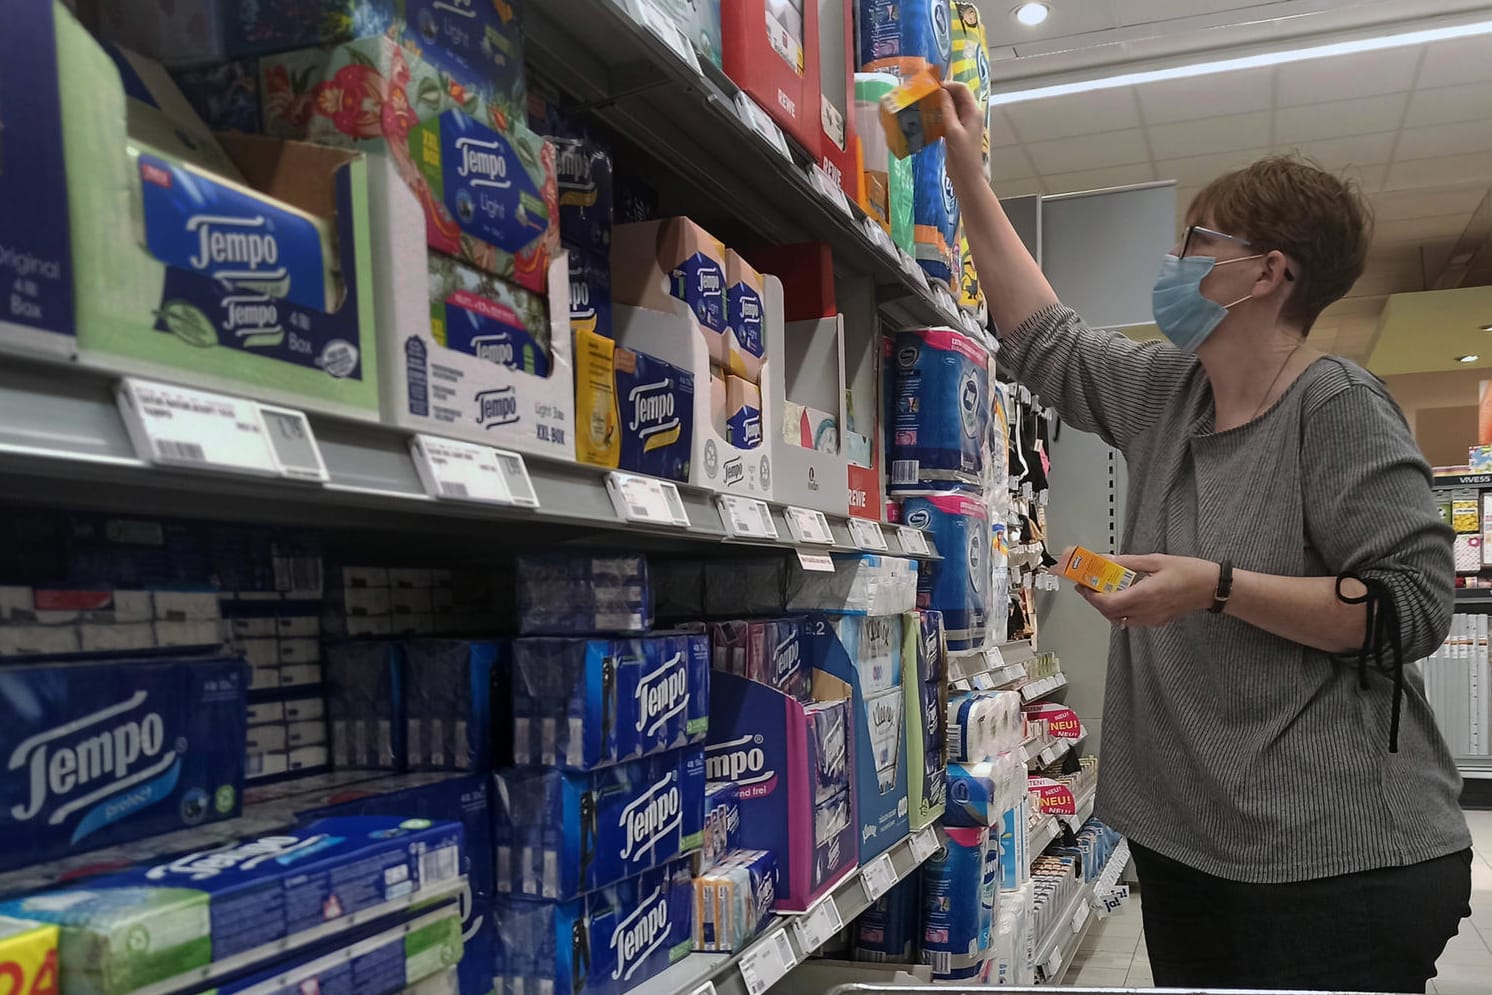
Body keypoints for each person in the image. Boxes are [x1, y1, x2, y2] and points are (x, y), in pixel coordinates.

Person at [936, 81, 1473, 992]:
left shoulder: (1334, 406)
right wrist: (963, 166)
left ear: (1267, 273)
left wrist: (1215, 585)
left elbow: (1411, 605)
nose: (1173, 262)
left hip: (1335, 860)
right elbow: (1044, 337)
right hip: (1191, 844)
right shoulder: (1168, 395)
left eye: (1195, 243)